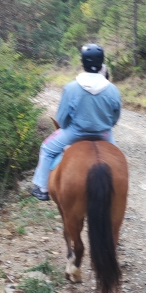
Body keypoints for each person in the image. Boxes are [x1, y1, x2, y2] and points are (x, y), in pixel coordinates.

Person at [30, 44, 122, 201]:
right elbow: (115, 117)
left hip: (74, 133)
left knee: (46, 148)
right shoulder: (113, 89)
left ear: (83, 62)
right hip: (104, 135)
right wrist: (105, 126)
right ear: (101, 63)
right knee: (119, 161)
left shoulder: (71, 88)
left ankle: (42, 188)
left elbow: (62, 119)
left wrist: (67, 127)